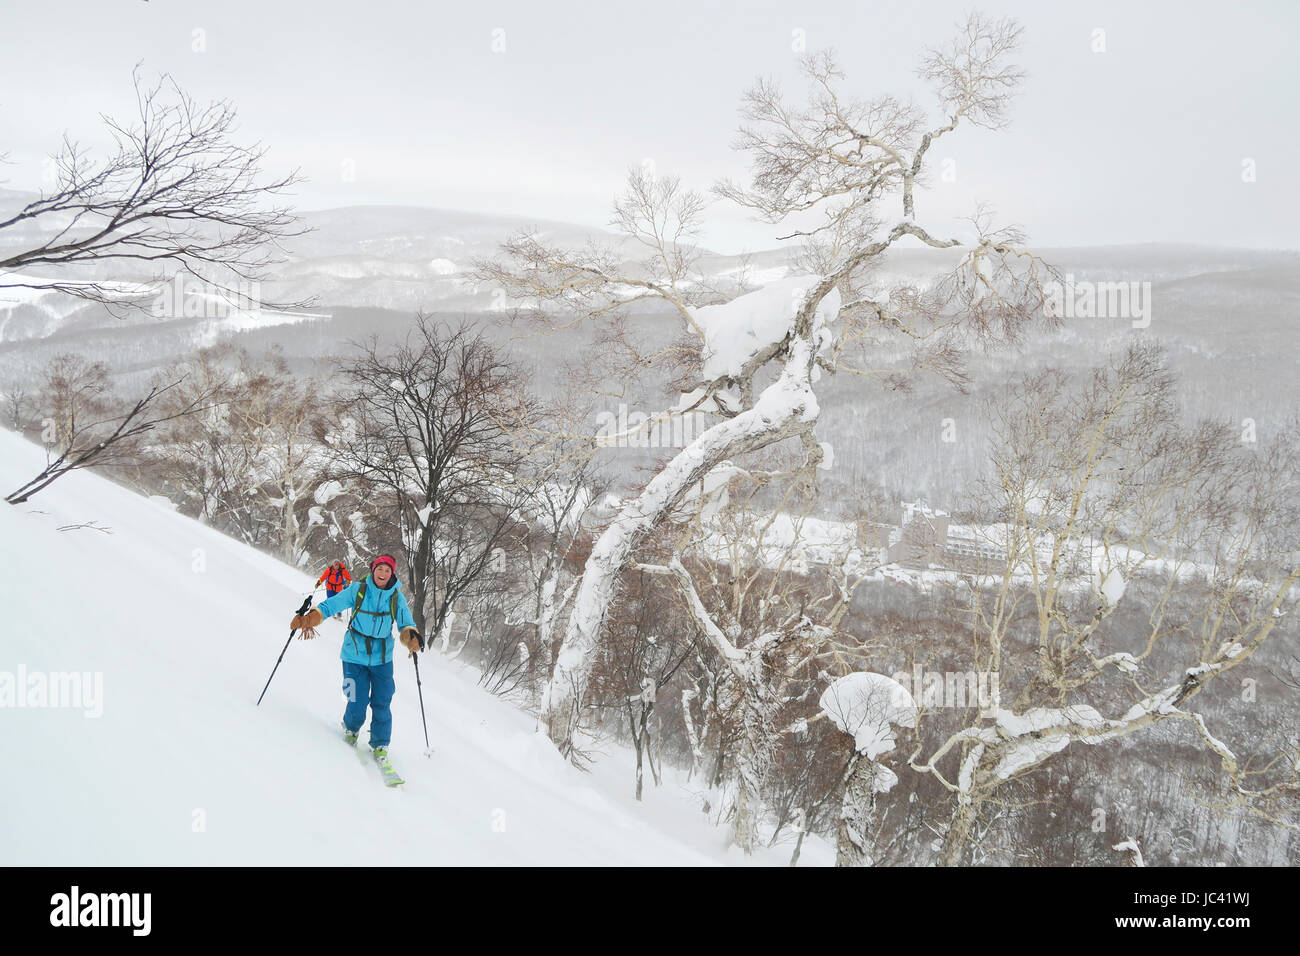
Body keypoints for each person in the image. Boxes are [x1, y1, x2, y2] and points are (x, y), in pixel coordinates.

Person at [290, 554, 423, 769]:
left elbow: (406, 623)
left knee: (383, 700)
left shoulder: (396, 597)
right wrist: (310, 617)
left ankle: (380, 743)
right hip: (353, 655)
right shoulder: (358, 589)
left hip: (382, 659)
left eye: (387, 570)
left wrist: (411, 637)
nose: (383, 573)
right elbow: (333, 604)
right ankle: (351, 728)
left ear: (392, 574)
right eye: (380, 569)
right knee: (355, 697)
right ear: (373, 569)